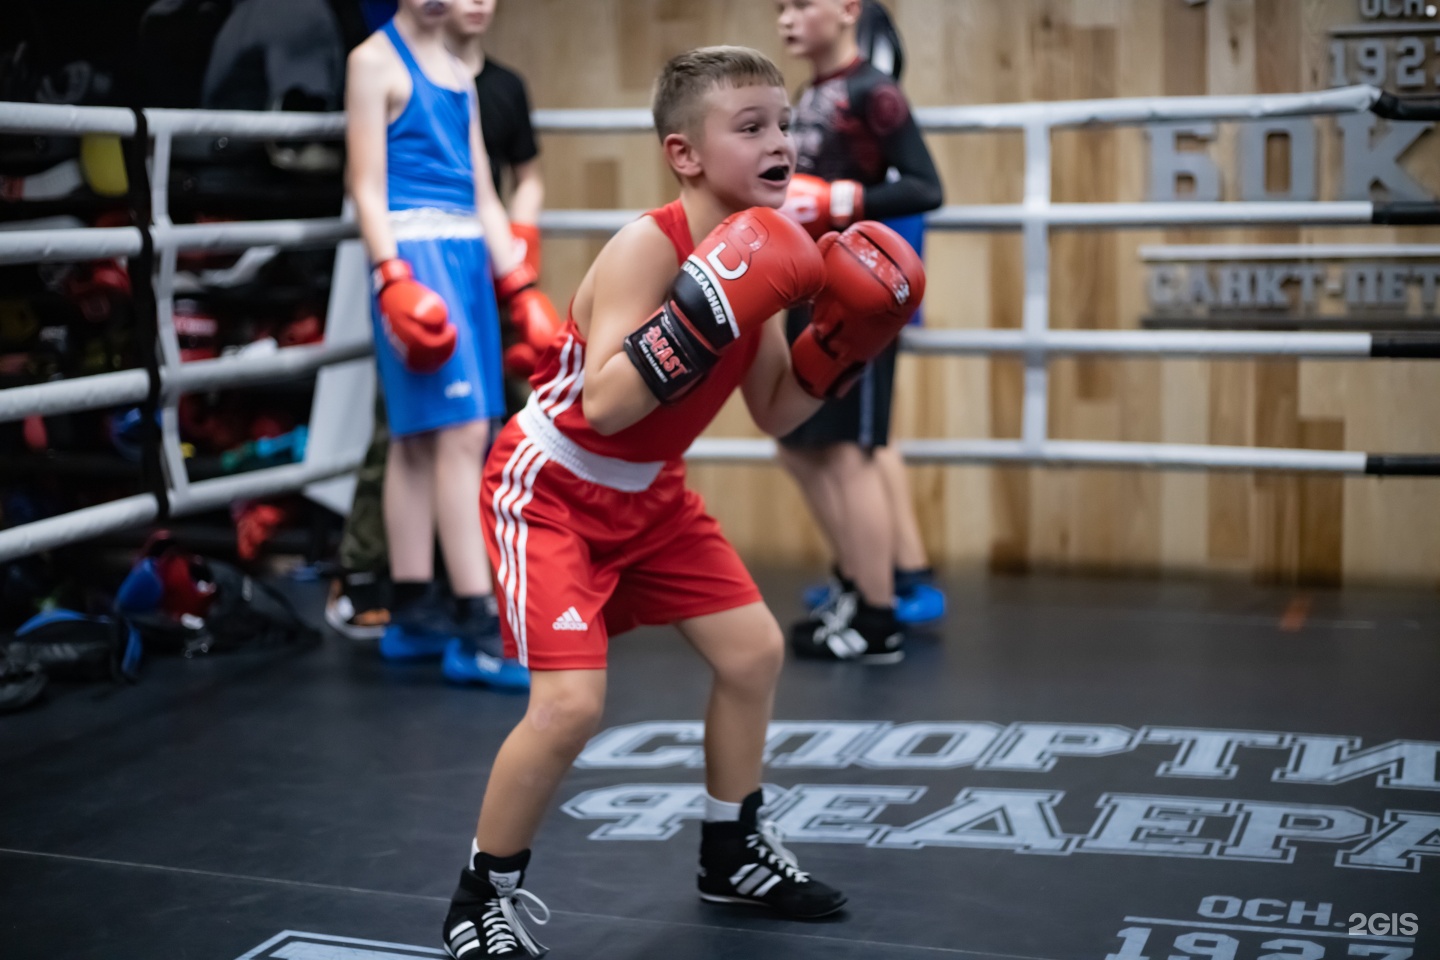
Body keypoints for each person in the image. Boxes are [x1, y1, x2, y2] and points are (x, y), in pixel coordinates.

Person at [437, 46, 926, 957]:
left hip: (652, 498)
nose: (780, 142)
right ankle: (481, 898)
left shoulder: (771, 251)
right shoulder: (648, 246)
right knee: (569, 709)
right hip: (551, 489)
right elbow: (610, 404)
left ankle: (731, 850)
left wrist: (846, 343)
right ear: (685, 153)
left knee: (753, 651)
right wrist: (708, 305)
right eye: (751, 128)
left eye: (783, 123)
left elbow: (779, 407)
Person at [344, 0, 540, 690]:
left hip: (467, 259)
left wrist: (518, 283)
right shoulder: (371, 62)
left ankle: (416, 611)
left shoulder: (457, 69)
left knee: (420, 439)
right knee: (459, 436)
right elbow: (365, 188)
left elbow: (485, 190)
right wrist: (390, 275)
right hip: (415, 251)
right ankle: (477, 622)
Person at [775, 0, 944, 663]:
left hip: (859, 295)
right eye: (778, 8)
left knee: (850, 454)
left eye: (799, 4)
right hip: (810, 285)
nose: (786, 18)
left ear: (847, 8)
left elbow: (928, 187)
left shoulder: (876, 92)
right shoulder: (812, 91)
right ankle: (854, 582)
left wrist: (842, 200)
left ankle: (878, 618)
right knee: (797, 446)